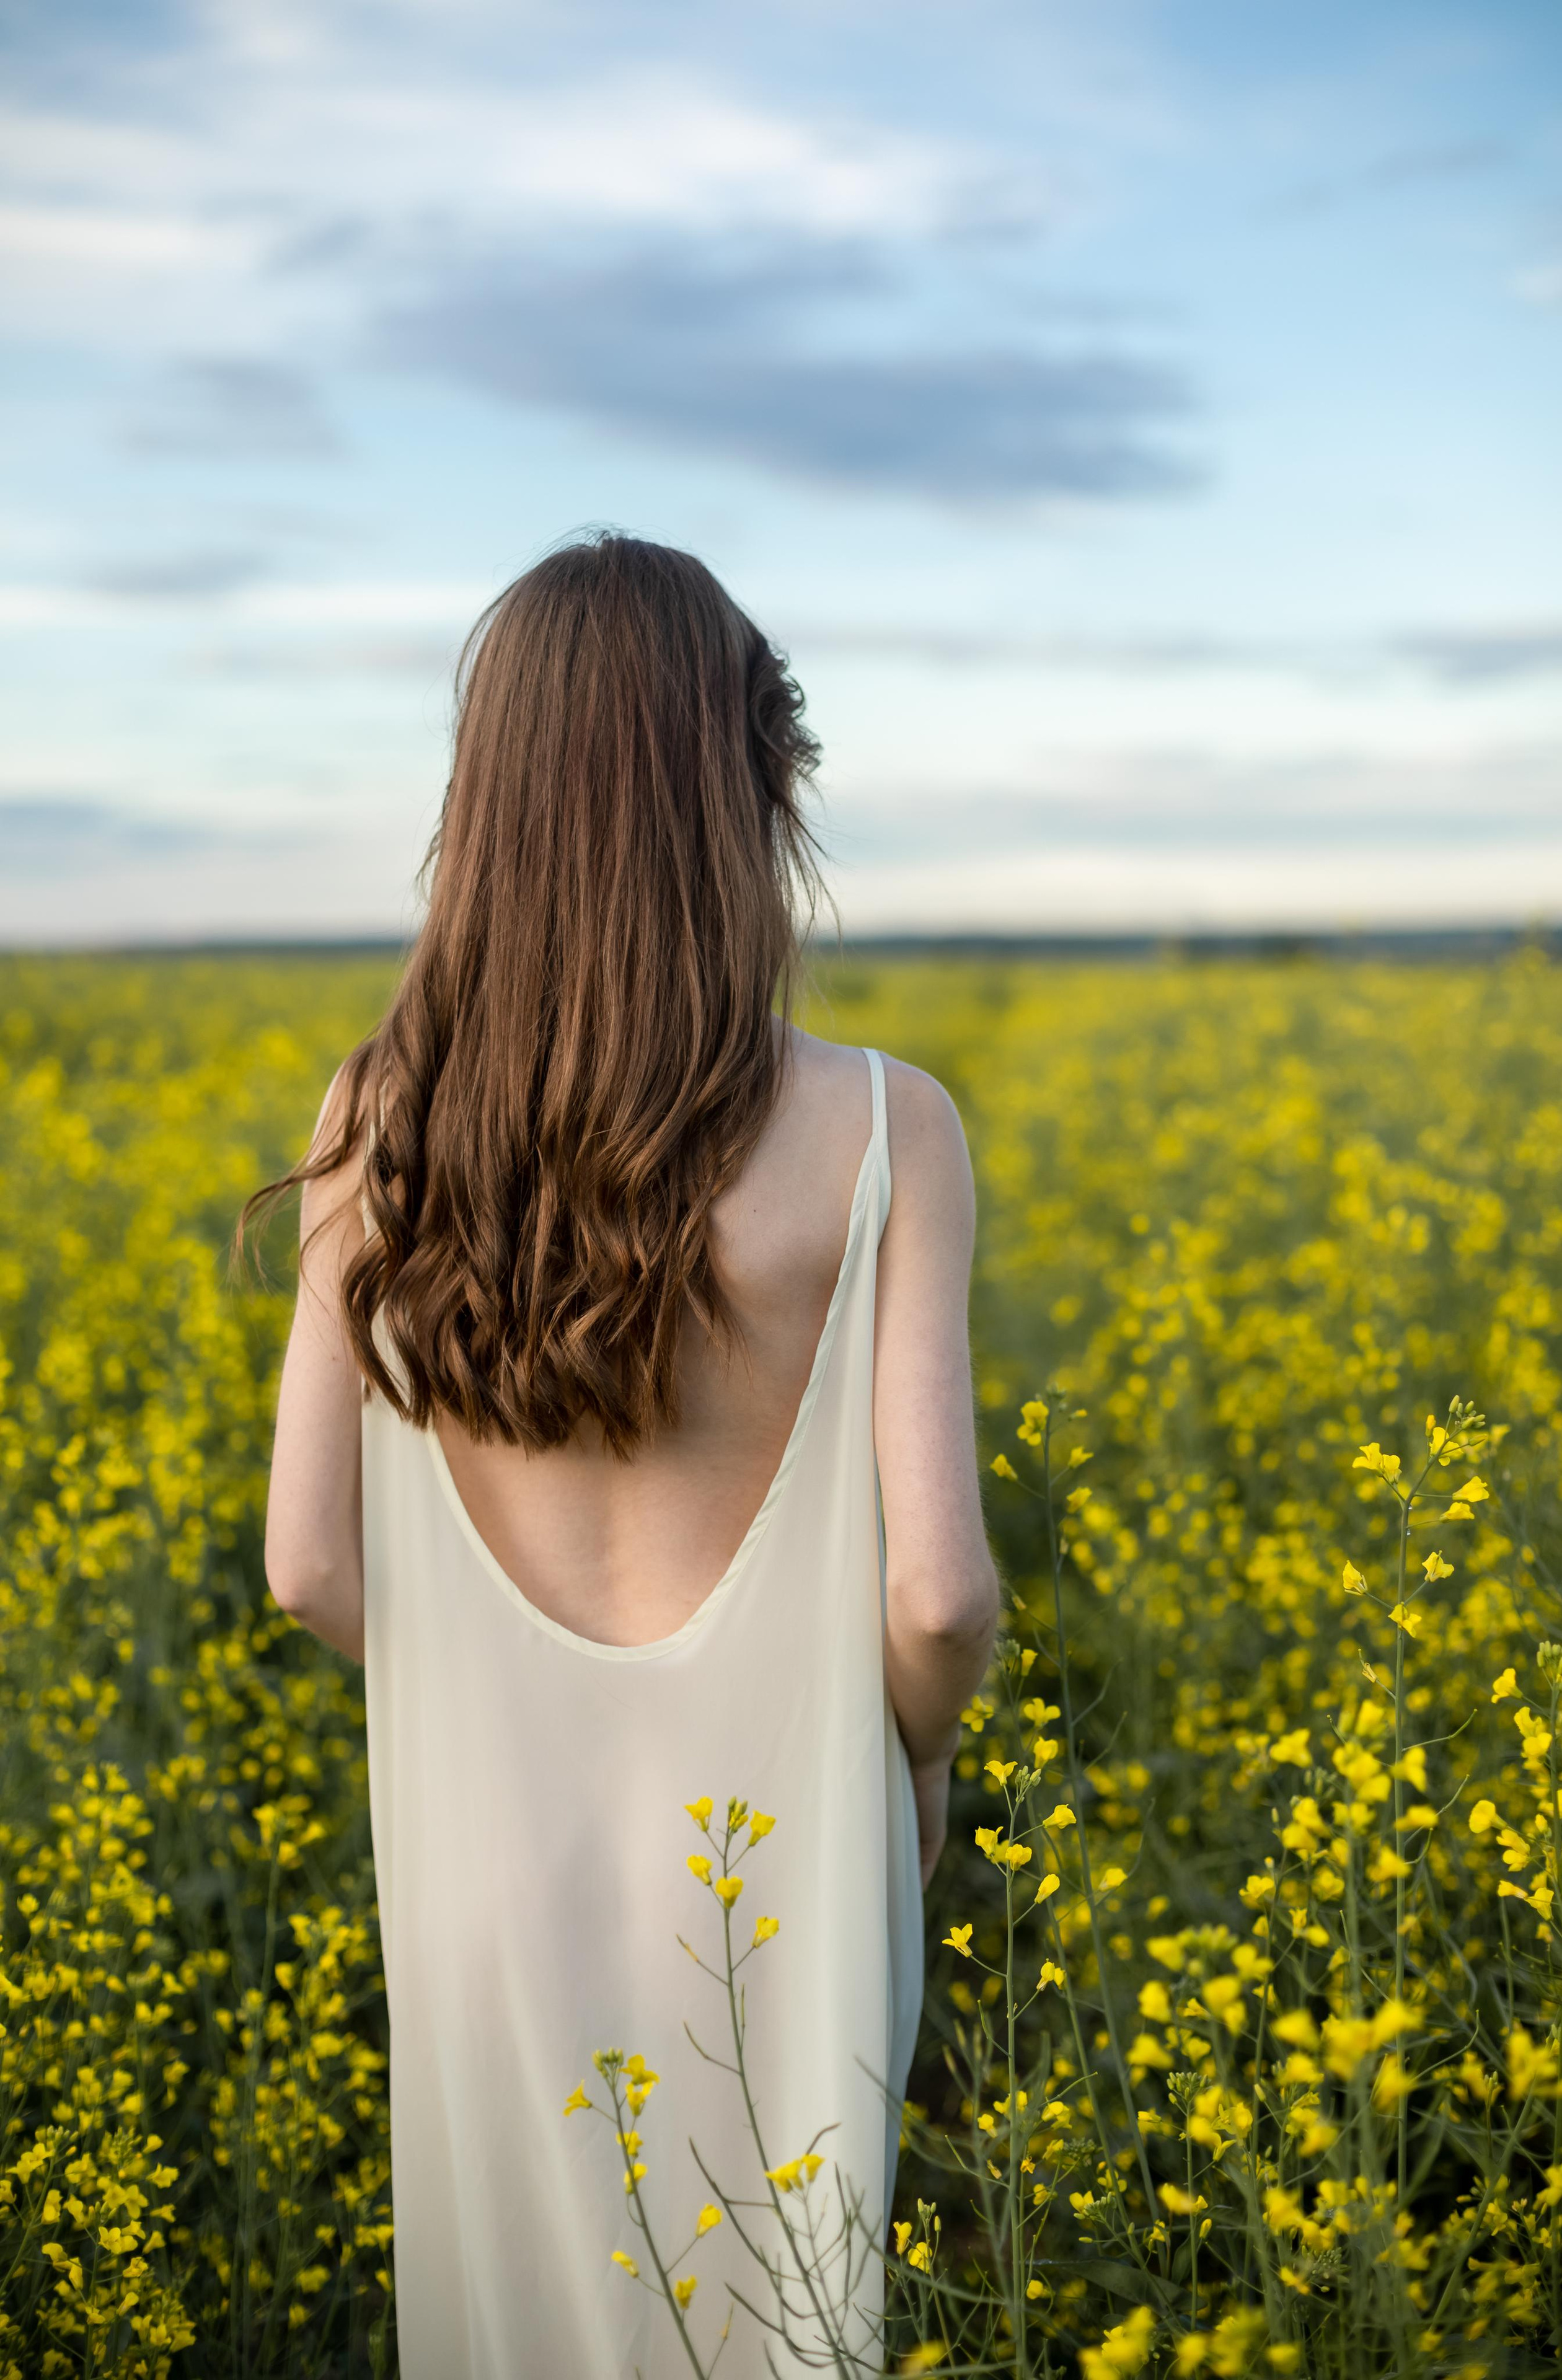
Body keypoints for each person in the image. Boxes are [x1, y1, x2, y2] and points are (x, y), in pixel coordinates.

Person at [250, 532, 1000, 2378]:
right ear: (748, 794)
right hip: (782, 1877)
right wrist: (902, 1778)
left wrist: (485, 1706)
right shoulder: (887, 1130)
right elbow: (939, 1590)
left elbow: (308, 1567)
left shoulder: (374, 1119)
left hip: (488, 1880)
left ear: (485, 810)